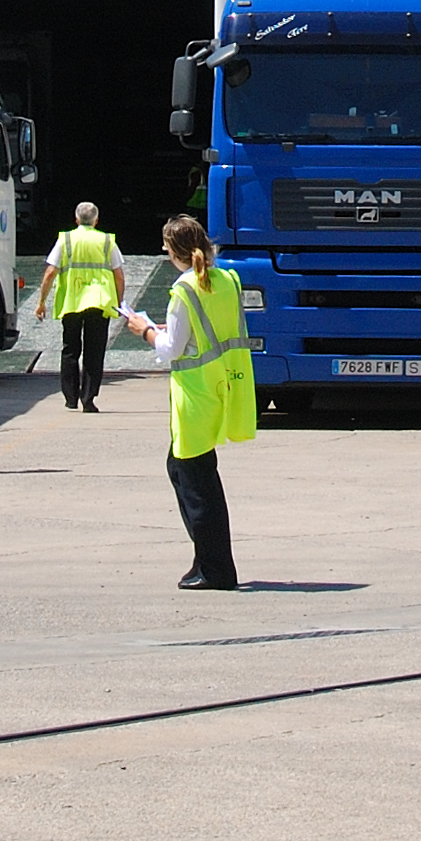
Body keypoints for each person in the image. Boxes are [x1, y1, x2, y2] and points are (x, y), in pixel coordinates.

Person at [115, 216, 254, 589]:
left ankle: (216, 569)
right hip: (223, 384)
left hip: (195, 391)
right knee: (190, 473)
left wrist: (144, 330)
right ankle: (207, 560)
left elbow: (172, 350)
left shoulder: (184, 289)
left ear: (174, 251)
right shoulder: (227, 279)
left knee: (194, 480)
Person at [35, 201, 122, 413]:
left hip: (72, 301)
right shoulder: (106, 241)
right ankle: (89, 398)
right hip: (99, 302)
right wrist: (118, 302)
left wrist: (41, 302)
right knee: (95, 351)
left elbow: (50, 273)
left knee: (70, 349)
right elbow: (119, 275)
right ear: (96, 220)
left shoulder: (65, 240)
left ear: (76, 219)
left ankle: (70, 397)